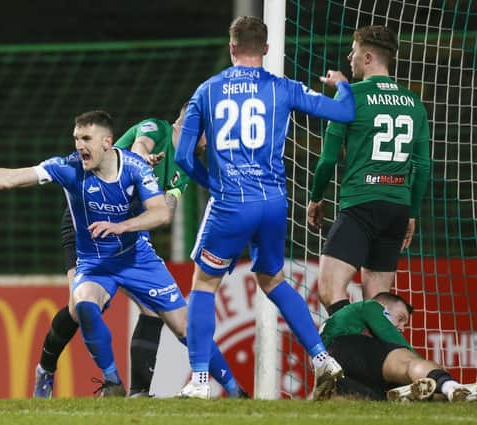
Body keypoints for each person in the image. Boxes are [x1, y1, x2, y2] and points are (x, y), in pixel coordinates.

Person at [0, 110, 243, 398]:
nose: (78, 145)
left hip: (133, 246)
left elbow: (163, 210)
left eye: (85, 138)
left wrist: (135, 210)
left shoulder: (173, 167)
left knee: (176, 323)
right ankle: (87, 377)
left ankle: (230, 392)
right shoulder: (79, 165)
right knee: (82, 306)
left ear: (105, 142)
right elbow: (11, 178)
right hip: (88, 238)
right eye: (77, 138)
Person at [174, 15, 356, 399]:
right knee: (272, 279)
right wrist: (343, 87)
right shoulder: (282, 88)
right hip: (273, 202)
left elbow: (182, 156)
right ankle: (322, 357)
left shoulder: (207, 90)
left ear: (232, 48)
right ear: (268, 50)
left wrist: (212, 183)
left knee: (204, 284)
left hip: (231, 203)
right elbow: (343, 113)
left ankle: (201, 380)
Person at [34, 105, 214, 399]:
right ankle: (46, 369)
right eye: (207, 135)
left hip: (125, 230)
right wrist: (142, 159)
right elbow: (142, 144)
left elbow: (167, 206)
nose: (208, 144)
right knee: (77, 308)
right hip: (86, 219)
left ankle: (137, 392)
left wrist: (156, 199)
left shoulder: (184, 166)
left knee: (151, 306)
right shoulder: (157, 128)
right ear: (190, 125)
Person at [307, 25, 431, 316]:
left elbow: (327, 159)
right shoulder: (414, 103)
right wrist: (411, 212)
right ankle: (383, 359)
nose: (349, 56)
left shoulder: (352, 97)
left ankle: (352, 354)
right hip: (397, 210)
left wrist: (316, 197)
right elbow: (422, 167)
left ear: (368, 57)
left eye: (354, 51)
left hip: (362, 205)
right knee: (380, 308)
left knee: (329, 289)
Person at [321, 292, 477, 402]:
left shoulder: (344, 321)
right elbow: (405, 351)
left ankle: (407, 394)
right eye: (400, 318)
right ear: (383, 307)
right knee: (409, 363)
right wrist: (434, 372)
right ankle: (452, 387)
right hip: (345, 347)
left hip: (332, 370)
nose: (402, 328)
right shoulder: (372, 306)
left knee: (389, 397)